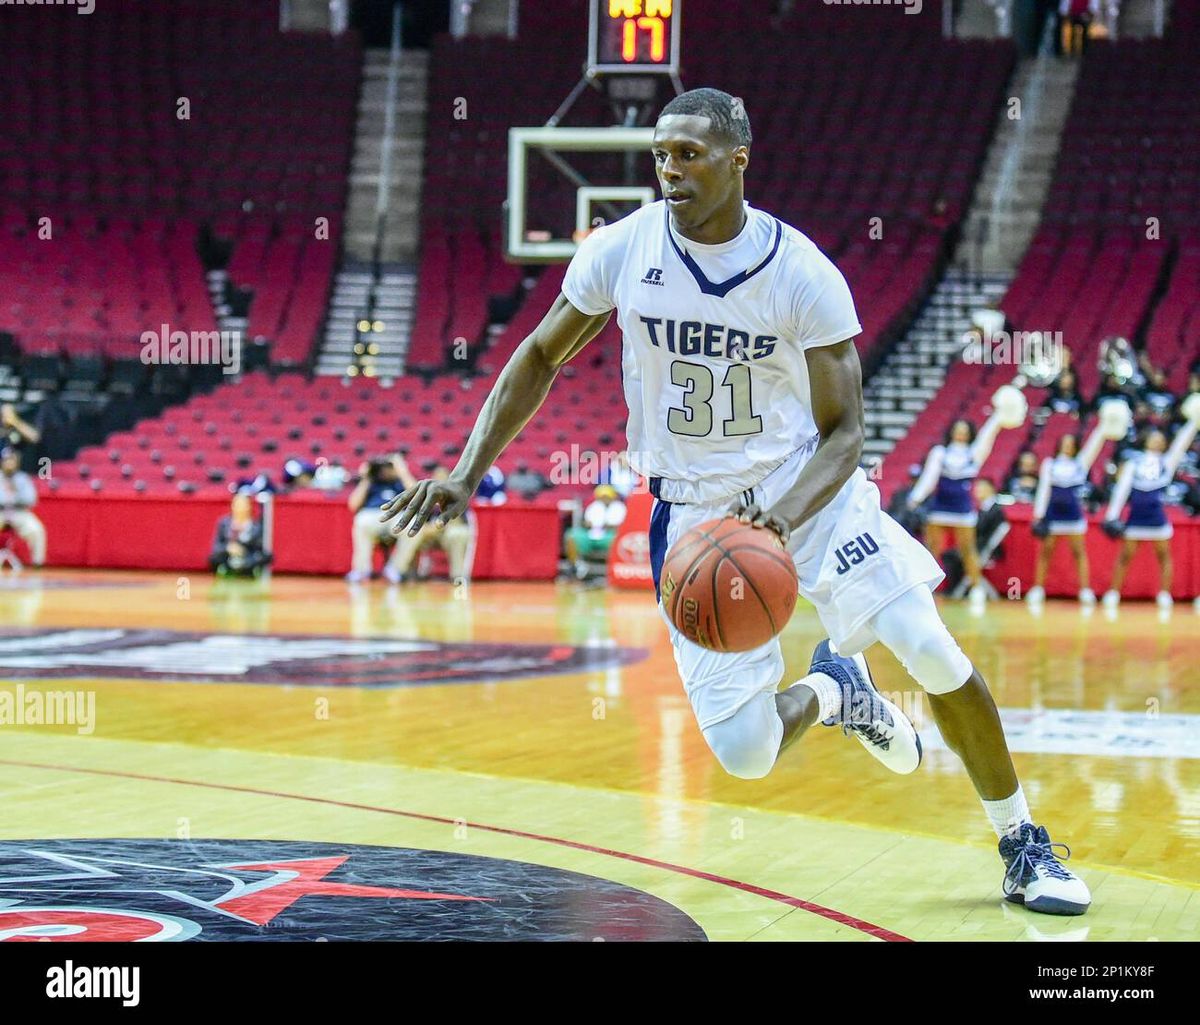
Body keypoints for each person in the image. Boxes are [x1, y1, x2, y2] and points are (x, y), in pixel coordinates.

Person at [378, 88, 1089, 915]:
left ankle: (1021, 842)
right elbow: (538, 356)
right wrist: (467, 471)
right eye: (661, 155)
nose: (670, 170)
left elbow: (846, 433)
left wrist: (783, 520)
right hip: (691, 515)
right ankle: (836, 691)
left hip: (807, 496)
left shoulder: (801, 272)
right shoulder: (620, 249)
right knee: (747, 752)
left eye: (690, 154)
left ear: (737, 159)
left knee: (925, 645)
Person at [907, 415, 1016, 604]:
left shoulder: (974, 454)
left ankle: (976, 589)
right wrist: (916, 498)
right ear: (951, 432)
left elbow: (987, 436)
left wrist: (997, 418)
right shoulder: (940, 452)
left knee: (968, 549)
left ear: (969, 434)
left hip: (963, 508)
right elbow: (929, 477)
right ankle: (924, 588)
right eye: (958, 430)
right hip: (939, 506)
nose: (960, 434)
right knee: (933, 549)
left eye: (965, 431)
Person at [1102, 412, 1200, 610]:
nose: (1157, 442)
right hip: (1135, 517)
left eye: (1160, 440)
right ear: (1146, 440)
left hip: (1157, 517)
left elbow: (1181, 444)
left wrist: (1193, 421)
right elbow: (1122, 489)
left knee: (1164, 555)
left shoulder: (1166, 462)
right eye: (1153, 439)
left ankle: (1164, 594)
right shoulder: (1133, 463)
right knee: (1125, 556)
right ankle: (1113, 592)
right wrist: (1112, 514)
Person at [1027, 422, 1109, 606]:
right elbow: (1043, 489)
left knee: (1078, 552)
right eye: (1064, 443)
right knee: (1046, 552)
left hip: (1073, 513)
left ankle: (1085, 590)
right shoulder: (1050, 464)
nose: (1067, 446)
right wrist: (1038, 513)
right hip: (1052, 513)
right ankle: (1038, 589)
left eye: (1071, 444)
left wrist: (1103, 428)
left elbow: (1094, 446)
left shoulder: (1080, 464)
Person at [390, 465, 473, 586]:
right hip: (430, 534)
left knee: (457, 534)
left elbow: (457, 521)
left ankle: (458, 576)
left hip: (449, 532)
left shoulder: (456, 496)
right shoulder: (430, 496)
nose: (439, 480)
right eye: (436, 477)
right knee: (411, 532)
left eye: (442, 478)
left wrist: (434, 527)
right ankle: (398, 571)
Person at [347, 453, 415, 584]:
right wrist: (366, 477)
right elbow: (353, 505)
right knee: (361, 521)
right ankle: (361, 570)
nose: (385, 471)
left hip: (397, 515)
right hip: (373, 515)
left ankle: (395, 569)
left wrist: (402, 471)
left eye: (389, 467)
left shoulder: (400, 481)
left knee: (413, 524)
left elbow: (417, 495)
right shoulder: (372, 482)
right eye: (382, 468)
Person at [565, 484, 627, 578]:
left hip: (609, 535)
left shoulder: (620, 507)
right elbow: (587, 523)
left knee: (618, 540)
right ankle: (578, 565)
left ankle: (614, 569)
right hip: (592, 534)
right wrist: (588, 524)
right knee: (572, 535)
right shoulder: (594, 506)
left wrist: (608, 526)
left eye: (607, 496)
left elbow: (621, 525)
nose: (604, 498)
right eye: (602, 496)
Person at [0, 445, 46, 567]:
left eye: (12, 460)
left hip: (19, 513)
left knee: (36, 529)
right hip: (0, 512)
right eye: (6, 461)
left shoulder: (23, 478)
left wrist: (14, 496)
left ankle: (37, 563)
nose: (9, 464)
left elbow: (31, 499)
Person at [208, 492, 271, 577]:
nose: (240, 508)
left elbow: (260, 549)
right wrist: (228, 548)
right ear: (232, 506)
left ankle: (246, 570)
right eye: (237, 505)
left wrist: (245, 550)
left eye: (243, 505)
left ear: (249, 507)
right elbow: (216, 546)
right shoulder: (224, 523)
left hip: (248, 558)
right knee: (214, 557)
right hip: (227, 557)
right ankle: (225, 571)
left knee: (266, 557)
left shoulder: (256, 526)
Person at [973, 477, 1009, 564]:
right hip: (976, 547)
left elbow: (991, 535)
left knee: (952, 558)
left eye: (979, 488)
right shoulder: (983, 508)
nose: (976, 491)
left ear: (989, 489)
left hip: (984, 550)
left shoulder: (996, 511)